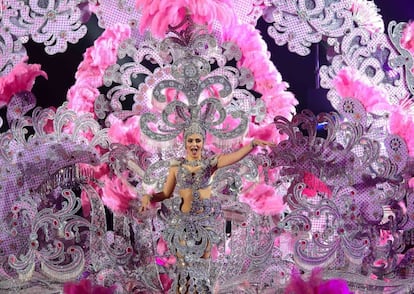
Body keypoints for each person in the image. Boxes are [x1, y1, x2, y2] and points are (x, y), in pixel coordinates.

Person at [139, 123, 274, 293]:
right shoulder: (176, 166)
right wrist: (148, 197)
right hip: (181, 225)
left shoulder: (211, 164)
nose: (194, 144)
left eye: (198, 140)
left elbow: (234, 157)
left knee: (202, 272)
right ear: (185, 143)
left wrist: (252, 145)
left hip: (204, 225)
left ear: (202, 142)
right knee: (182, 271)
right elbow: (165, 194)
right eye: (190, 140)